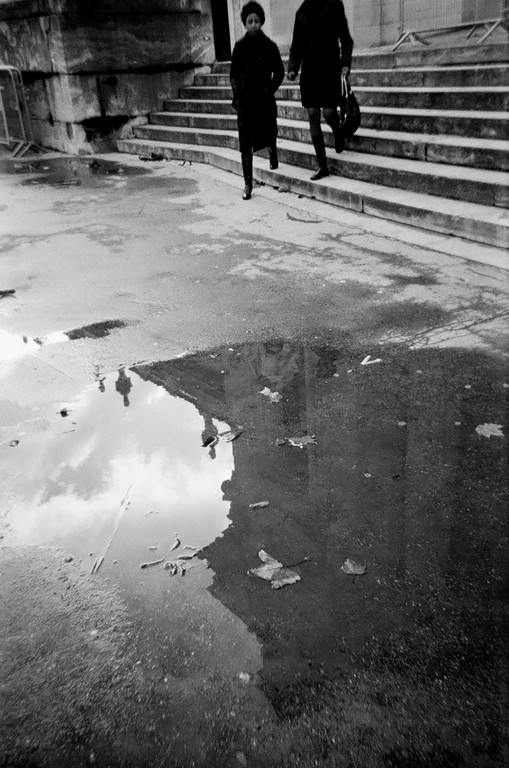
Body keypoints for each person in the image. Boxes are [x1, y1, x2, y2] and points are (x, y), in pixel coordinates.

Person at [288, 0, 353, 180]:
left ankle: (338, 132)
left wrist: (345, 63)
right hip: (309, 72)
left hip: (329, 69)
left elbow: (346, 39)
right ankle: (322, 166)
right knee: (312, 115)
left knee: (330, 113)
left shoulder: (334, 5)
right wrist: (293, 67)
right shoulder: (301, 12)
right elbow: (297, 45)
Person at [230, 2, 285, 200]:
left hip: (263, 101)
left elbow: (279, 72)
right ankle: (247, 183)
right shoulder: (239, 47)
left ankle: (272, 151)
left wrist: (268, 89)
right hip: (245, 102)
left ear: (261, 22)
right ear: (245, 24)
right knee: (245, 142)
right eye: (249, 21)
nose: (253, 25)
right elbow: (233, 74)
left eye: (256, 21)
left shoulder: (269, 47)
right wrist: (237, 93)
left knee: (269, 131)